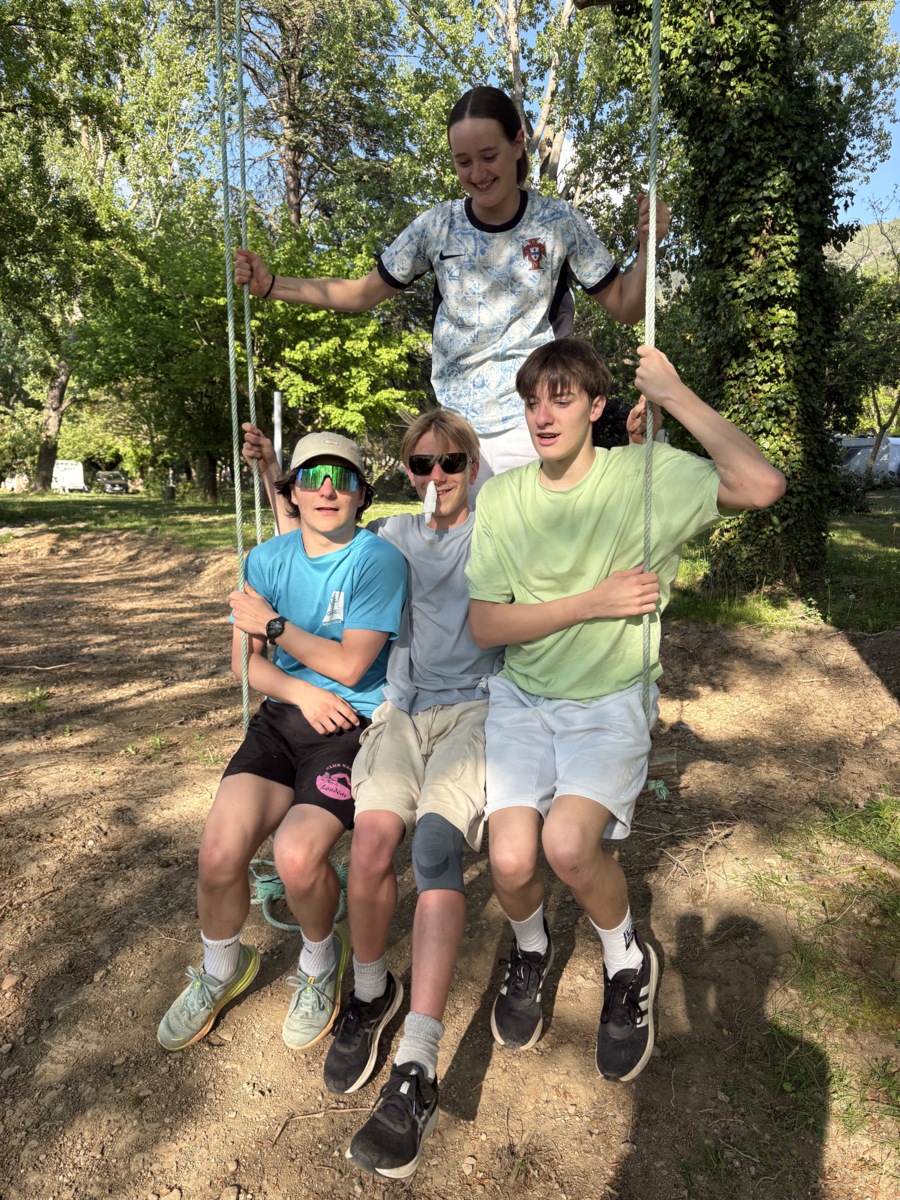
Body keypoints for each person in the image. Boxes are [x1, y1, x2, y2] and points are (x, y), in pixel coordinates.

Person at [241, 405, 657, 1178]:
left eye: (452, 462)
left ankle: (418, 1065)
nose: (437, 476)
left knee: (433, 848)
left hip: (477, 709)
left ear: (473, 464)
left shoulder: (501, 528)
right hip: (401, 712)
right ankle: (372, 992)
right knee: (371, 846)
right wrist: (275, 478)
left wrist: (634, 453)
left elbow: (583, 519)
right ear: (406, 472)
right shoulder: (393, 536)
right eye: (422, 464)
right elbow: (313, 544)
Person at [466, 338, 786, 1083]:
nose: (544, 416)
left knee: (568, 848)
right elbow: (485, 625)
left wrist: (673, 394)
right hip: (522, 699)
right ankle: (532, 950)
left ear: (597, 406)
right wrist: (593, 602)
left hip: (610, 699)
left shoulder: (644, 478)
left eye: (562, 399)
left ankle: (625, 959)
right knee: (509, 860)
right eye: (533, 402)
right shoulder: (504, 498)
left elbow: (762, 484)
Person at [234, 85, 670, 492]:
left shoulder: (558, 222)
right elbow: (362, 293)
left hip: (534, 420)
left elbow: (625, 307)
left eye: (488, 156)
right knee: (464, 548)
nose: (477, 173)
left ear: (518, 144)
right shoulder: (436, 227)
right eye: (463, 161)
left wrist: (648, 246)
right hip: (456, 429)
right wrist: (271, 285)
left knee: (534, 544)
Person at [157, 433, 407, 1054]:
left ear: (362, 495)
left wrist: (273, 626)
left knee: (297, 857)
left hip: (352, 725)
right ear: (292, 491)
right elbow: (245, 666)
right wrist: (300, 694)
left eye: (343, 479)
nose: (327, 489)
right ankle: (222, 967)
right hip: (283, 720)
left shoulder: (377, 561)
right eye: (313, 477)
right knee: (219, 852)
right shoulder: (265, 560)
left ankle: (320, 960)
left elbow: (351, 667)